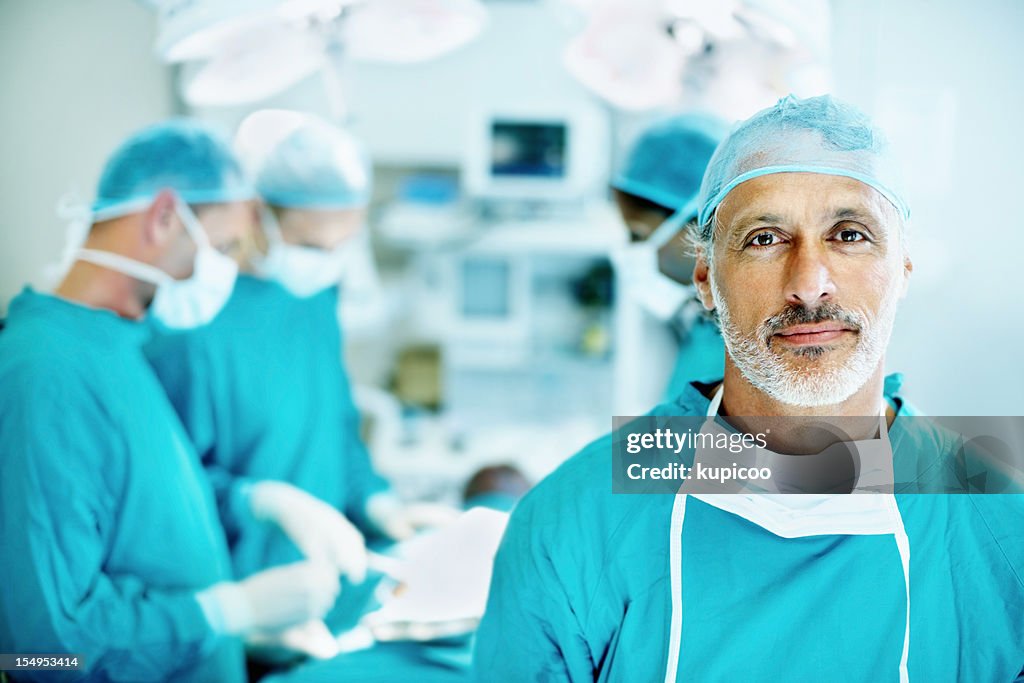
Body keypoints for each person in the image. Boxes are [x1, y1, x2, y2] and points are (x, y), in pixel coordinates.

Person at [474, 95, 1024, 681]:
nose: (810, 285)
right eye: (764, 238)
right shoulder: (571, 526)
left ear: (902, 272)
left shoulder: (1000, 534)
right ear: (707, 279)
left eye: (850, 234)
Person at [0, 120, 349, 682]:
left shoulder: (116, 345)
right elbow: (39, 654)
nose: (231, 271)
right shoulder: (43, 372)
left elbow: (139, 507)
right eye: (225, 246)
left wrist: (254, 500)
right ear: (164, 218)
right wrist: (225, 612)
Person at [145, 111, 454, 622]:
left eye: (341, 245)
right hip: (246, 599)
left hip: (330, 588)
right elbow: (167, 492)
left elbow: (334, 424)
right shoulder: (192, 323)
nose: (326, 261)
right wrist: (258, 500)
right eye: (311, 245)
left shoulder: (313, 297)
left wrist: (379, 503)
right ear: (252, 215)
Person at [611, 113, 728, 405]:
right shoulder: (705, 330)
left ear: (699, 224)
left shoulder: (742, 352)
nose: (630, 251)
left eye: (638, 234)